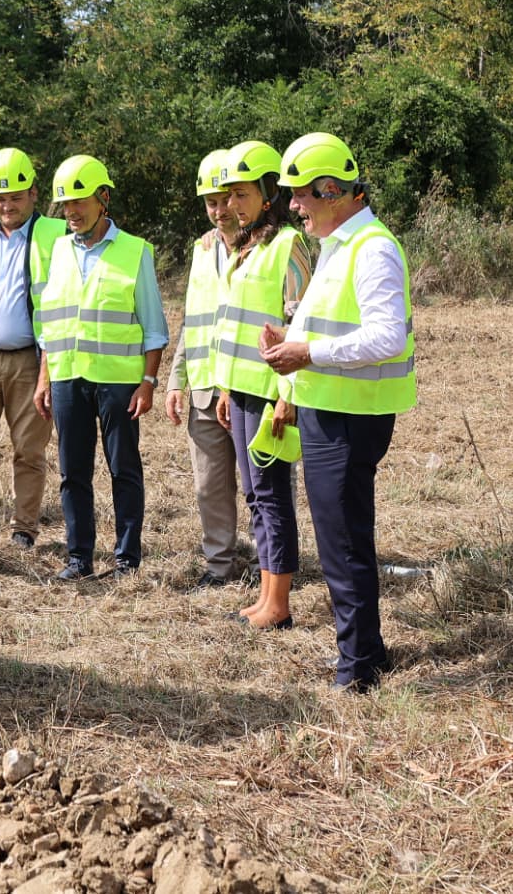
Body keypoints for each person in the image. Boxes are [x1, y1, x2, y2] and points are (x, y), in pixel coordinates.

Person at [260, 132, 416, 692]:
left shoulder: (371, 246)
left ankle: (357, 669)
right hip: (331, 407)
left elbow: (385, 338)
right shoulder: (338, 243)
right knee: (342, 535)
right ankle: (367, 649)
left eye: (300, 195)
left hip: (350, 418)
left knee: (342, 541)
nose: (293, 207)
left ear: (331, 189)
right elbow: (338, 320)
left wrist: (308, 352)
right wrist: (292, 335)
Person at [32, 156, 167, 581]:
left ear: (103, 198)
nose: (71, 212)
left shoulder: (135, 252)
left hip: (118, 381)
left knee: (123, 468)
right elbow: (51, 323)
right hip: (69, 377)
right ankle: (79, 558)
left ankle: (126, 559)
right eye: (65, 205)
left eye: (80, 202)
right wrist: (45, 378)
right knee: (73, 472)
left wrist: (147, 383)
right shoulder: (58, 251)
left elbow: (154, 328)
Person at [211, 141, 313, 629]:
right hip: (244, 391)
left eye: (242, 193)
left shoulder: (288, 246)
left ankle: (279, 604)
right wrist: (228, 389)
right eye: (230, 195)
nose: (232, 204)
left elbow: (302, 324)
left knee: (272, 495)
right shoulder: (247, 247)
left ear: (269, 193)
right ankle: (266, 595)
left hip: (273, 393)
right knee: (255, 495)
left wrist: (287, 397)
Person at [0, 148, 66, 549]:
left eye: (16, 195)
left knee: (28, 450)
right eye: (0, 197)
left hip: (29, 361)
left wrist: (48, 369)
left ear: (34, 193)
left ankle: (24, 529)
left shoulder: (55, 234)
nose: (7, 204)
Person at [165, 150, 248, 588]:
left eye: (225, 200)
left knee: (264, 489)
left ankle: (275, 565)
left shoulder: (265, 248)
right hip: (204, 389)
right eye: (211, 203)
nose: (219, 211)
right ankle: (220, 566)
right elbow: (191, 320)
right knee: (209, 487)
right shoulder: (201, 250)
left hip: (250, 388)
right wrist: (177, 380)